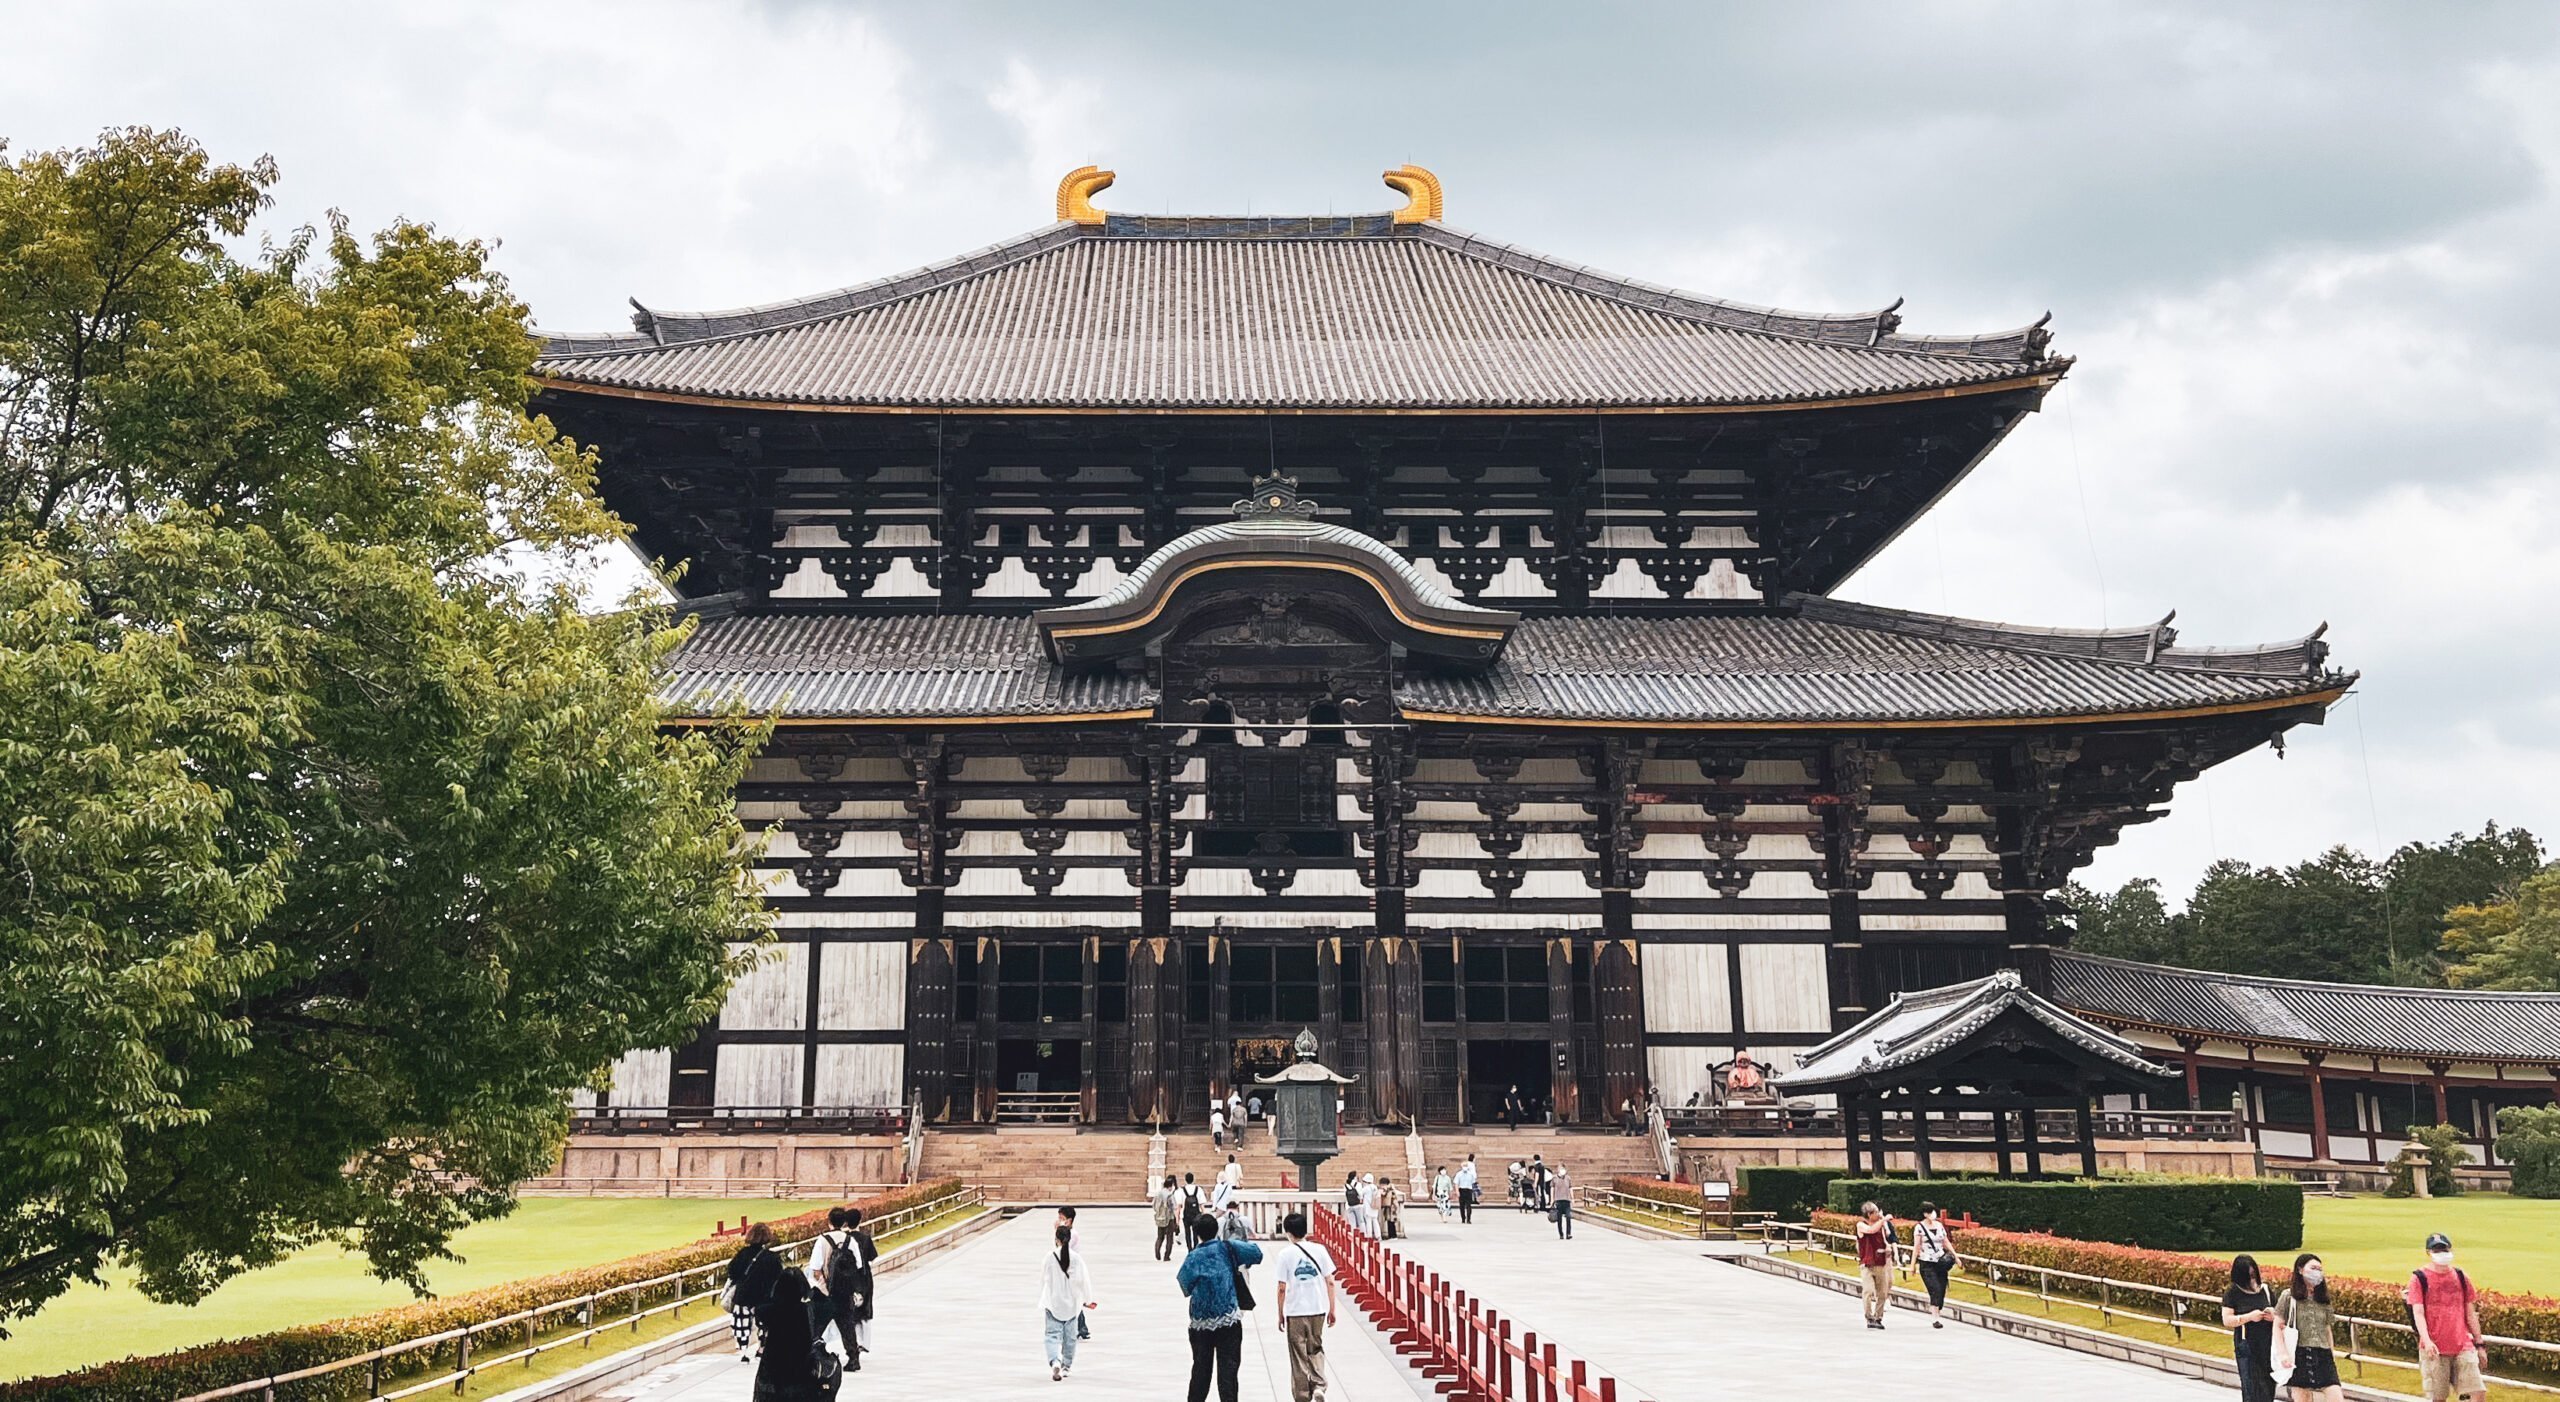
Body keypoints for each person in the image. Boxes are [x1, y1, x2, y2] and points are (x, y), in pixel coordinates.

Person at [1177, 1209, 1265, 1402]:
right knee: (1228, 1372)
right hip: (1229, 1320)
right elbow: (1257, 1254)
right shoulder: (1228, 1248)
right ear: (1216, 1229)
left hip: (1201, 1323)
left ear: (1197, 1233)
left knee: (1200, 1371)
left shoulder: (1194, 1257)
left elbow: (1184, 1284)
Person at [2404, 1233, 2486, 1402]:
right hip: (2435, 1347)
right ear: (2429, 1253)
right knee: (2439, 1396)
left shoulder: (2461, 1276)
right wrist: (2426, 1340)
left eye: (2444, 1249)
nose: (2441, 1253)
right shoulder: (2419, 1278)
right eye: (2437, 1250)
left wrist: (2479, 1344)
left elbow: (2470, 1312)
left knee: (2477, 1392)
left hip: (2462, 1344)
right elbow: (2418, 1313)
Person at [1270, 1211, 1338, 1402]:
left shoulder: (1285, 1254)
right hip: (1317, 1308)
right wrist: (1332, 1308)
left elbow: (1282, 1287)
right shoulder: (1320, 1250)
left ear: (1288, 1232)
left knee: (1298, 1353)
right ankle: (1318, 1385)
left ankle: (1302, 1394)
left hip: (1296, 1311)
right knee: (1315, 1348)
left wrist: (1280, 1313)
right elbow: (1330, 1281)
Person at [752, 1251, 834, 1402]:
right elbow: (830, 1306)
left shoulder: (772, 1310)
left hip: (775, 1373)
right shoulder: (810, 1310)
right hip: (805, 1371)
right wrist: (813, 1291)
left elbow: (759, 1309)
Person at [809, 1205, 876, 1370]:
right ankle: (853, 1359)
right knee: (847, 1326)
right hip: (845, 1293)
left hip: (825, 1293)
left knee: (816, 1327)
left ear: (829, 1222)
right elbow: (859, 1266)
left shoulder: (822, 1241)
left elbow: (815, 1269)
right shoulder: (850, 1240)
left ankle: (811, 1358)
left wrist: (823, 1285)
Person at [2277, 1251, 2343, 1402]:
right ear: (2300, 1270)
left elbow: (2327, 1329)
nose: (2317, 1273)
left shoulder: (2323, 1299)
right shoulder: (2289, 1296)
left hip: (2323, 1353)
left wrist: (2331, 1353)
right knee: (2303, 1398)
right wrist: (2283, 1353)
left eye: (2320, 1269)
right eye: (2313, 1268)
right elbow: (2277, 1325)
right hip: (2299, 1352)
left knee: (2336, 1395)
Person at [1040, 1221, 1099, 1382]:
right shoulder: (1077, 1259)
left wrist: (1043, 1297)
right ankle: (1066, 1366)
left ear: (1056, 1239)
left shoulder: (1049, 1257)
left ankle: (1054, 1361)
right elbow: (1084, 1281)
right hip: (1072, 1304)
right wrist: (1088, 1300)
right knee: (1070, 1338)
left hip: (1053, 1302)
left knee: (1052, 1336)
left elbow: (1043, 1280)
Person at [2223, 1254, 2279, 1402]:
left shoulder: (2265, 1289)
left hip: (2268, 1344)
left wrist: (2274, 1316)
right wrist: (2248, 1317)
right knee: (2251, 1387)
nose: (2252, 1278)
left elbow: (2280, 1313)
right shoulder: (2233, 1292)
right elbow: (2227, 1319)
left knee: (2268, 1385)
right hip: (2247, 1344)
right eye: (2248, 1275)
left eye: (2254, 1274)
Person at [725, 1222, 781, 1362]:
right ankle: (761, 1348)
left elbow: (732, 1271)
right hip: (764, 1297)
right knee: (764, 1324)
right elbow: (778, 1276)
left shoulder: (743, 1254)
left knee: (742, 1324)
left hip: (743, 1295)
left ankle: (743, 1351)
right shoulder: (771, 1257)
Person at [1853, 1200, 1899, 1330]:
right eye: (1876, 1212)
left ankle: (1878, 1317)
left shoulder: (1881, 1227)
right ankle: (1869, 1317)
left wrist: (1888, 1249)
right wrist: (1884, 1220)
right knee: (1868, 1290)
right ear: (1869, 1214)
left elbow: (1885, 1240)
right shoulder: (1861, 1225)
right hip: (1867, 1264)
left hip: (1881, 1263)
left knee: (1882, 1293)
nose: (1878, 1214)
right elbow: (1871, 1230)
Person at [1911, 1202, 1955, 1329]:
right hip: (1927, 1262)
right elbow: (1917, 1246)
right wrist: (1913, 1264)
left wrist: (1955, 1256)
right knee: (1934, 1288)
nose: (1932, 1214)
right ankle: (1935, 1318)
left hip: (1940, 1262)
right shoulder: (1919, 1228)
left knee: (1941, 1289)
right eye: (1930, 1212)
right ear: (1925, 1214)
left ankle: (1938, 1309)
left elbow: (1945, 1242)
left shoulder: (1939, 1225)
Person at [1155, 1174, 1185, 1262]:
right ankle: (1166, 1256)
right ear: (1171, 1186)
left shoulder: (1158, 1194)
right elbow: (1175, 1208)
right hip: (1169, 1218)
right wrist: (1177, 1220)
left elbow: (1154, 1205)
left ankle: (1157, 1251)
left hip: (1160, 1217)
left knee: (1160, 1237)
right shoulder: (1170, 1195)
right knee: (1169, 1238)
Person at [1182, 1174, 1208, 1249]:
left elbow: (1179, 1205)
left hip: (1186, 1215)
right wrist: (1204, 1214)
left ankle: (1189, 1248)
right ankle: (1196, 1247)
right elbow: (1202, 1204)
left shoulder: (1182, 1190)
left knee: (1187, 1232)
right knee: (1195, 1232)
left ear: (1185, 1180)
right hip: (1196, 1214)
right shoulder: (1198, 1189)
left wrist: (1178, 1217)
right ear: (1193, 1179)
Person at [1549, 1163, 1574, 1240]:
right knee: (1559, 1218)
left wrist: (1572, 1198)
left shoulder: (1568, 1178)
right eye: (1560, 1168)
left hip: (1566, 1200)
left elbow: (1570, 1188)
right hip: (1558, 1200)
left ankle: (1568, 1233)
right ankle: (1561, 1234)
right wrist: (1552, 1199)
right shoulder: (1554, 1178)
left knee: (1568, 1217)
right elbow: (1552, 1188)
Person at [1454, 1156, 1479, 1225]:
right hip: (1461, 1190)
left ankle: (1468, 1219)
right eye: (1464, 1165)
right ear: (1461, 1166)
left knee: (1468, 1205)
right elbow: (1456, 1183)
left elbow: (1473, 1183)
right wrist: (1457, 1191)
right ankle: (1463, 1218)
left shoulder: (1471, 1174)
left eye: (1466, 1166)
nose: (1465, 1167)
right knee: (1461, 1206)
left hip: (1468, 1190)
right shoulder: (1459, 1174)